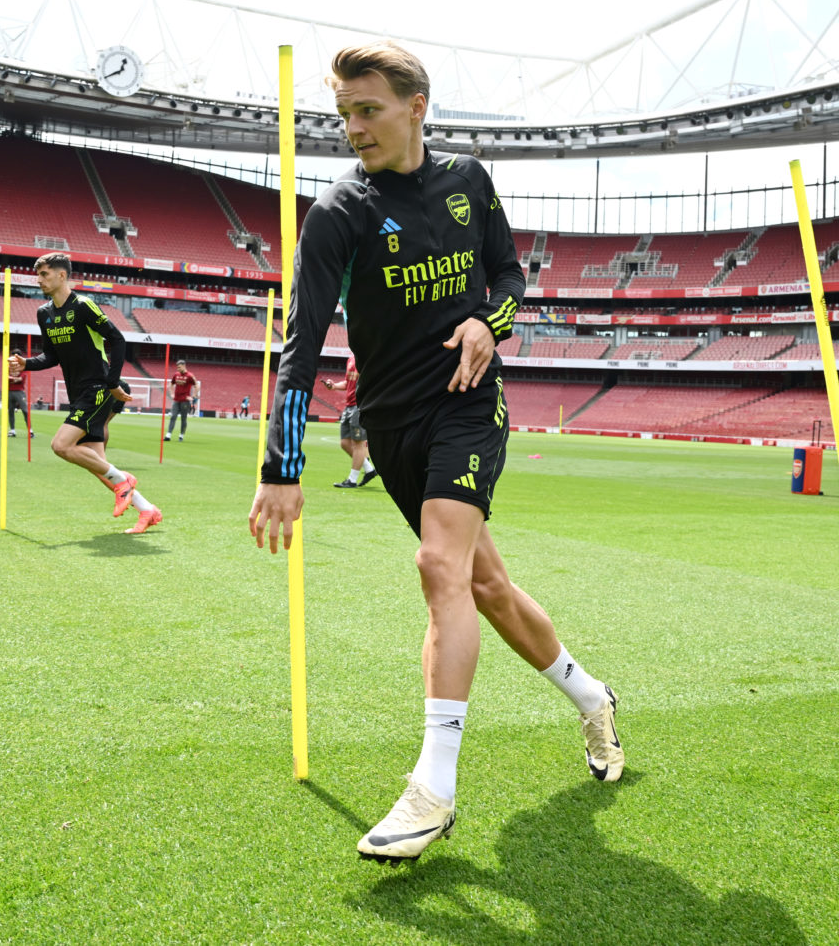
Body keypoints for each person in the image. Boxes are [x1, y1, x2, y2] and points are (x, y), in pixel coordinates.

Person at [249, 43, 622, 863]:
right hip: (390, 422)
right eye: (343, 113)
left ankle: (435, 786)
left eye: (368, 109)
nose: (353, 128)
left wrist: (492, 322)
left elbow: (509, 275)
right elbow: (301, 343)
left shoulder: (470, 181)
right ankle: (594, 697)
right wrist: (282, 463)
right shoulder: (339, 213)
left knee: (437, 567)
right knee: (482, 582)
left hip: (467, 405)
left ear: (417, 105)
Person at [8, 253, 163, 534]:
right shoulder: (45, 313)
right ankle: (146, 510)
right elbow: (51, 356)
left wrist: (113, 381)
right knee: (97, 463)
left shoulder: (83, 306)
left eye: (44, 274)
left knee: (61, 446)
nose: (39, 280)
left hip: (98, 388)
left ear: (62, 275)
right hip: (78, 392)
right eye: (38, 275)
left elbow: (117, 339)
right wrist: (26, 363)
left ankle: (123, 481)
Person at [322, 355, 378, 488]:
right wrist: (334, 386)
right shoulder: (351, 359)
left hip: (359, 406)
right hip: (349, 406)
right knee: (345, 443)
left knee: (358, 444)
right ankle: (369, 470)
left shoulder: (367, 356)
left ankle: (352, 480)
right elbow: (348, 383)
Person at [164, 359, 198, 442]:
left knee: (183, 418)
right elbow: (171, 384)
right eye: (177, 367)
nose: (177, 369)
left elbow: (196, 385)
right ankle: (168, 435)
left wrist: (193, 396)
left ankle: (181, 435)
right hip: (176, 400)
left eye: (179, 367)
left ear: (184, 366)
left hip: (185, 401)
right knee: (173, 416)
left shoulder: (190, 376)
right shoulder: (176, 375)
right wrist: (172, 393)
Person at [6, 362, 34, 438]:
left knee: (25, 411)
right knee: (10, 411)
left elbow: (21, 379)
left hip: (19, 392)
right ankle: (12, 430)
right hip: (9, 391)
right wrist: (15, 379)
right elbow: (5, 378)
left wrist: (11, 379)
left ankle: (30, 431)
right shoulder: (8, 369)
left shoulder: (22, 369)